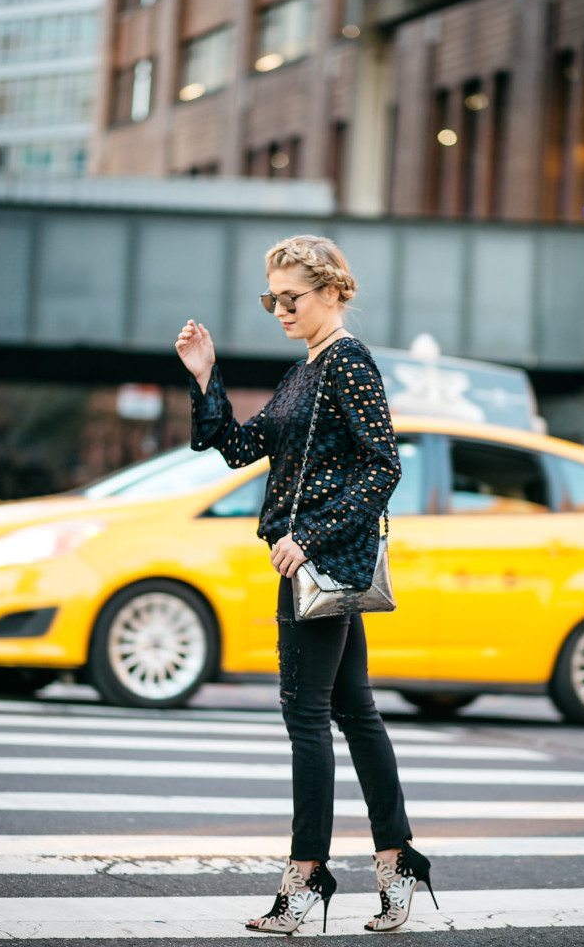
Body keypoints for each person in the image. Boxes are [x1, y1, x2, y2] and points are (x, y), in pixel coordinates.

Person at [175, 234, 438, 934]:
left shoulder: (348, 362)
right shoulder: (305, 370)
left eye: (290, 299)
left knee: (306, 717)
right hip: (315, 565)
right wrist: (205, 376)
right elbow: (234, 447)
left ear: (331, 292)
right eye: (271, 300)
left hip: (316, 565)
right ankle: (398, 862)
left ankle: (306, 878)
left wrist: (308, 537)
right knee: (354, 713)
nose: (279, 311)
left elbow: (384, 466)